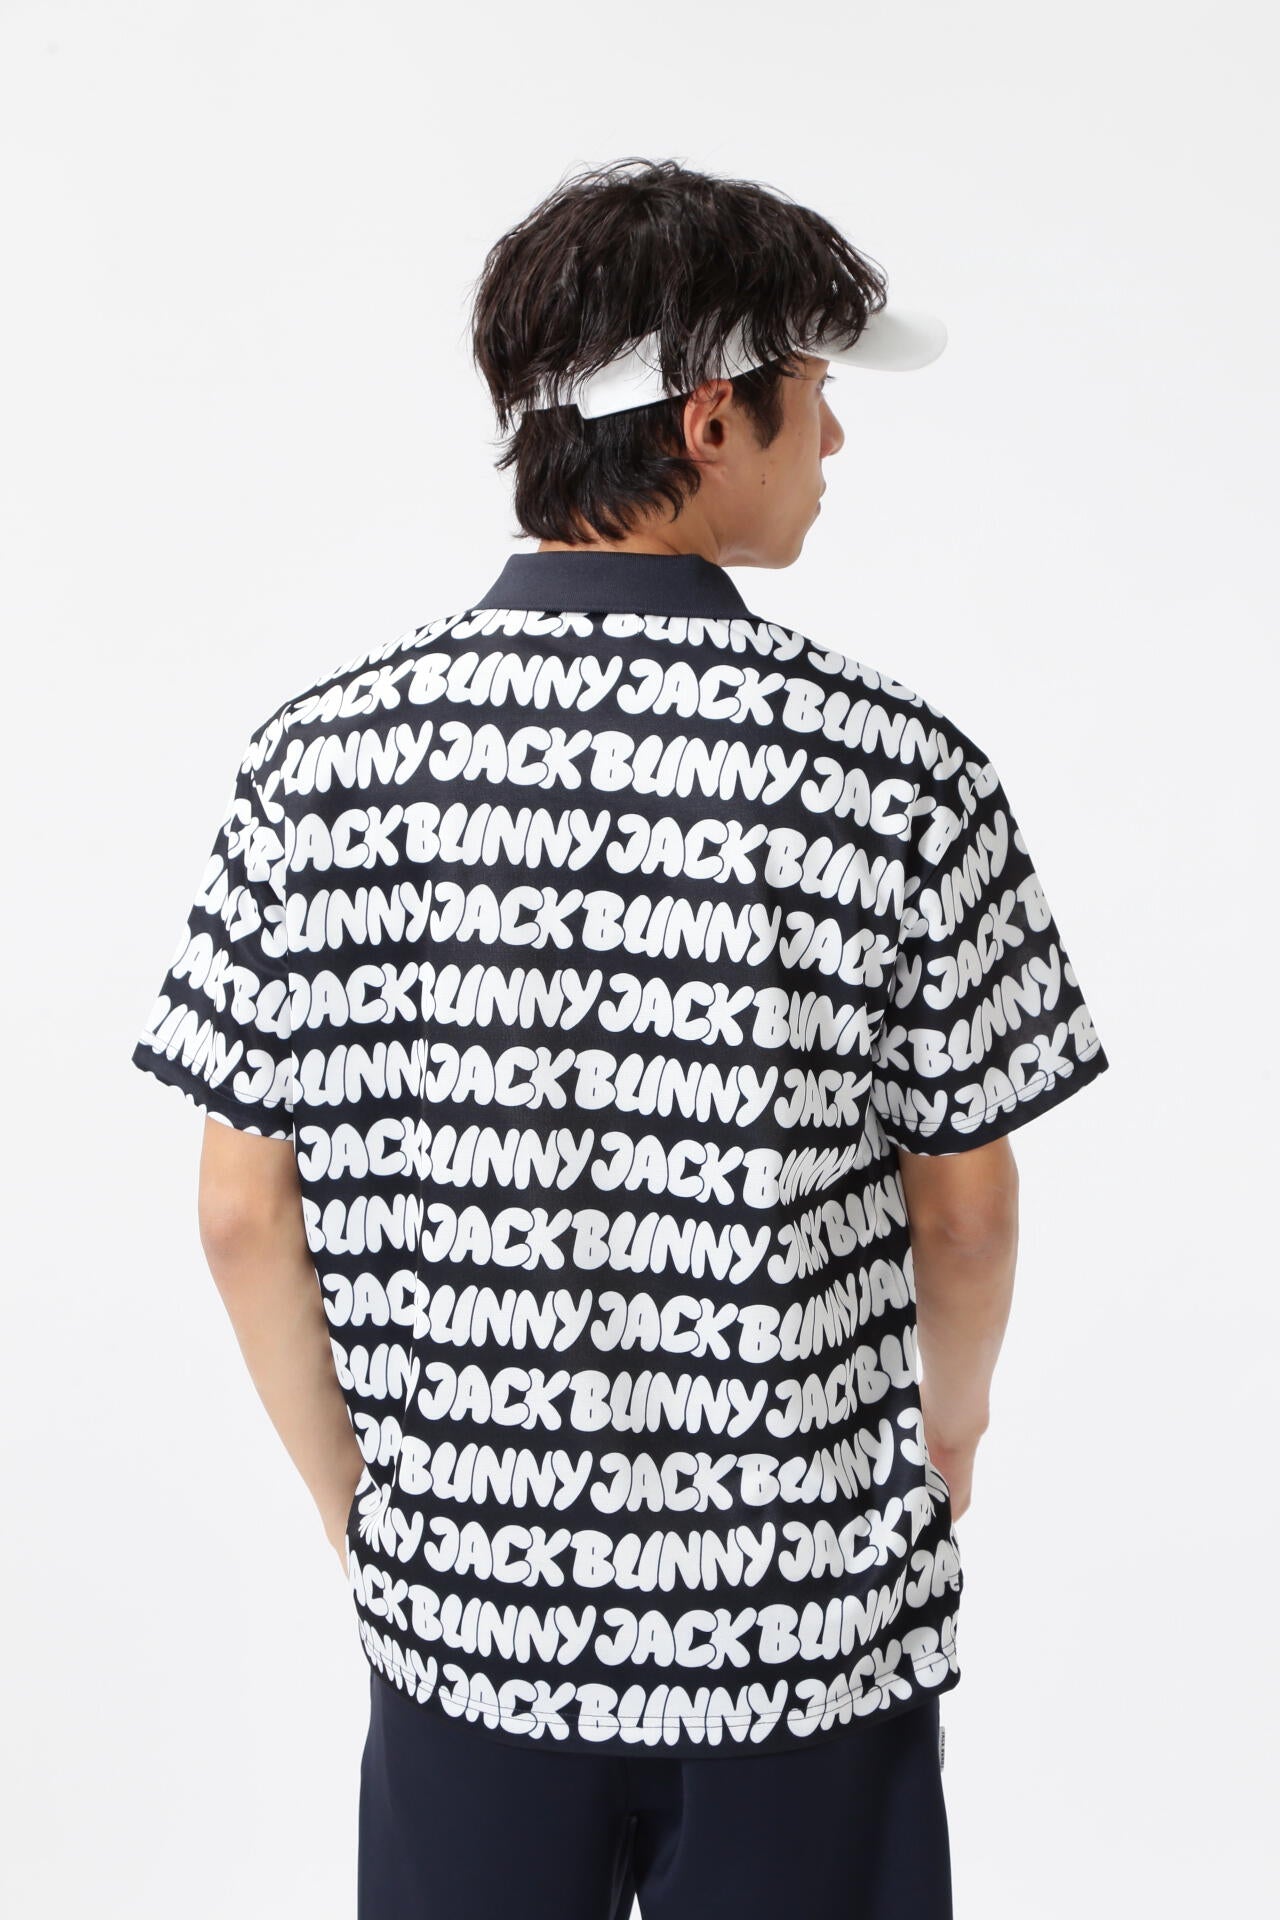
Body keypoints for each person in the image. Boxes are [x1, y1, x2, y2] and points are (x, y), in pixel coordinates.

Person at [130, 157, 1110, 1920]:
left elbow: (235, 1212)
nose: (836, 442)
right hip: (802, 1631)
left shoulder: (321, 767)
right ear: (714, 417)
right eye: (815, 396)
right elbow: (965, 1212)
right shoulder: (894, 769)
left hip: (472, 1634)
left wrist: (383, 1527)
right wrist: (946, 1438)